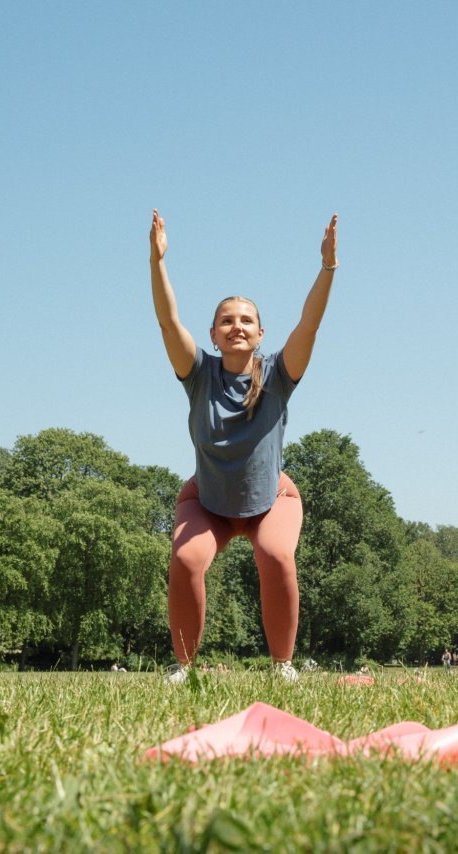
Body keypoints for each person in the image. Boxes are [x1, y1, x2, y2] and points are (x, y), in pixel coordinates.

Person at [150, 210, 338, 684]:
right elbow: (169, 323)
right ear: (213, 335)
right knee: (186, 559)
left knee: (275, 556)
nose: (237, 326)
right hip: (207, 502)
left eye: (247, 320)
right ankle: (184, 667)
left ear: (260, 333)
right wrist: (158, 262)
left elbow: (309, 326)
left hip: (271, 499)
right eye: (226, 321)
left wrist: (327, 269)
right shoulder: (199, 376)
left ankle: (282, 666)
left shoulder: (277, 374)